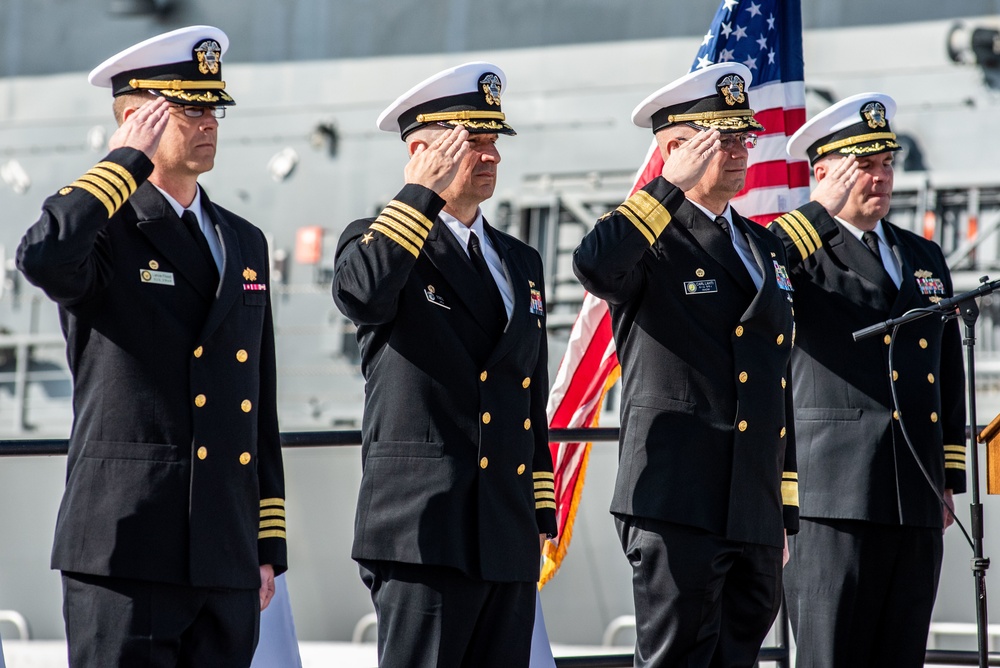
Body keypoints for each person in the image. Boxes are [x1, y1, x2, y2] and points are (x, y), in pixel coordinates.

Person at [16, 26, 286, 667]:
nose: (209, 122)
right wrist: (120, 164)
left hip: (223, 552)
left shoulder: (243, 242)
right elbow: (44, 257)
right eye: (190, 108)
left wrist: (265, 541)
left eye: (213, 108)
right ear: (139, 118)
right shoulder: (104, 226)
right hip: (127, 546)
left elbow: (257, 399)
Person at [573, 61, 799, 667]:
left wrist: (784, 504)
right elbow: (595, 264)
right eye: (720, 138)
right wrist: (665, 187)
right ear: (675, 148)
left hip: (752, 504)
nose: (738, 150)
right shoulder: (651, 236)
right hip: (679, 500)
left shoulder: (763, 244)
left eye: (741, 136)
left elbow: (775, 378)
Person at [332, 62, 558, 668]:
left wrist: (540, 504)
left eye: (493, 142)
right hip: (422, 530)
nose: (490, 156)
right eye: (472, 142)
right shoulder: (377, 240)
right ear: (422, 151)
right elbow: (362, 294)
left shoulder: (519, 259)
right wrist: (418, 195)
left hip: (504, 529)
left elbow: (526, 389)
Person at [769, 93, 966, 667]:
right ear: (822, 172)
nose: (880, 177)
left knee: (901, 654)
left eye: (886, 163)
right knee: (832, 656)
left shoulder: (922, 255)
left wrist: (947, 474)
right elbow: (753, 269)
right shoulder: (799, 252)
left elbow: (945, 370)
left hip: (916, 492)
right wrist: (816, 216)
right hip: (834, 497)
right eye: (863, 165)